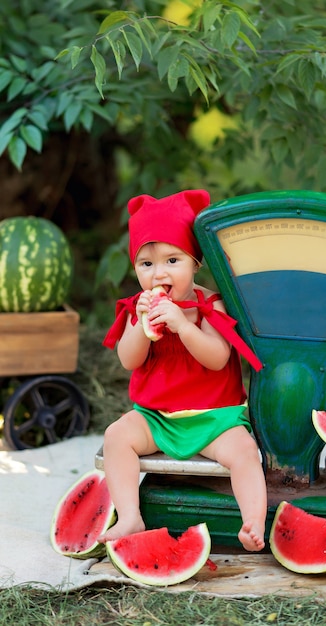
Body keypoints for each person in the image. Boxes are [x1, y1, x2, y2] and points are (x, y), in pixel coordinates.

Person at [100, 189, 267, 551]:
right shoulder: (139, 307)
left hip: (213, 419)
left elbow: (218, 358)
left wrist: (183, 325)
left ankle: (253, 520)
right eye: (146, 264)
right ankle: (130, 515)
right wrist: (142, 322)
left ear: (195, 262)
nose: (158, 273)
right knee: (116, 436)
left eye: (172, 260)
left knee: (244, 452)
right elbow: (129, 360)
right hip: (157, 418)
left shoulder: (210, 304)